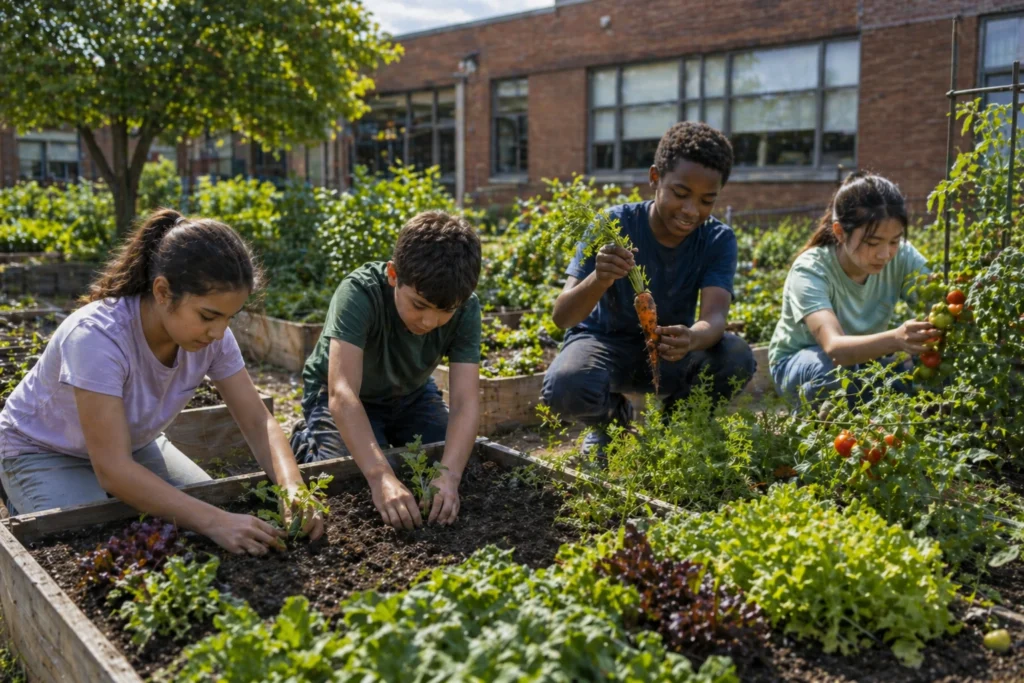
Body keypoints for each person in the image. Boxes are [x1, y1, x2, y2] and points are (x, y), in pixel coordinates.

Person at [0, 209, 322, 554]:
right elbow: (113, 469)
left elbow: (258, 421)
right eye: (208, 316)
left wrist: (292, 486)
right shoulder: (96, 338)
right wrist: (214, 520)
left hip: (135, 447)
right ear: (163, 291)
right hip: (42, 451)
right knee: (93, 541)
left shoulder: (212, 337)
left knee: (207, 517)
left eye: (230, 317)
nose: (219, 332)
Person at [542, 122, 756, 457]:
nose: (690, 210)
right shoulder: (612, 226)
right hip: (606, 347)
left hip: (671, 349)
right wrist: (598, 278)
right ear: (655, 178)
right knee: (566, 386)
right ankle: (610, 422)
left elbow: (715, 318)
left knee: (736, 356)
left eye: (706, 200)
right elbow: (562, 316)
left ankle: (676, 422)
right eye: (681, 194)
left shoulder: (717, 239)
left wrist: (693, 337)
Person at [290, 210, 481, 531]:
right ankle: (305, 439)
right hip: (342, 397)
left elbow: (465, 401)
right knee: (348, 478)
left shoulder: (466, 308)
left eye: (444, 311)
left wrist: (448, 477)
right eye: (418, 305)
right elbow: (342, 392)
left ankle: (385, 444)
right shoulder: (360, 293)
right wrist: (380, 476)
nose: (429, 321)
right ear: (394, 274)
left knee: (452, 460)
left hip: (412, 396)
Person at [769, 171, 935, 405]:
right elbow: (835, 348)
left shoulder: (903, 256)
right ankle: (815, 417)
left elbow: (937, 300)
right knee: (834, 374)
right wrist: (897, 339)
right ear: (839, 232)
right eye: (872, 242)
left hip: (866, 361)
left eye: (894, 241)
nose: (885, 254)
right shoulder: (810, 270)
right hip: (803, 364)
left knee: (909, 378)